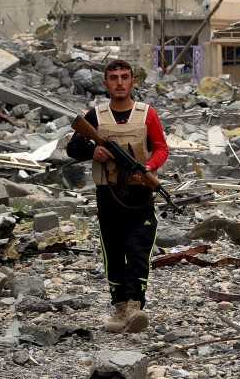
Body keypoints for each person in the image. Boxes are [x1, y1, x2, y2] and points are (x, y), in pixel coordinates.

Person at [66, 59, 169, 333]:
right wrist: (93, 152)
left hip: (140, 196)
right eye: (114, 78)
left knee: (139, 250)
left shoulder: (147, 114)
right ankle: (120, 307)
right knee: (113, 251)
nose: (120, 82)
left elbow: (160, 148)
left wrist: (148, 167)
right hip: (109, 196)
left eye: (125, 77)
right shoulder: (95, 116)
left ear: (133, 82)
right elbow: (73, 147)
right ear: (105, 84)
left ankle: (136, 306)